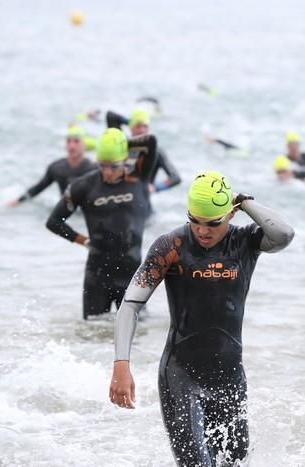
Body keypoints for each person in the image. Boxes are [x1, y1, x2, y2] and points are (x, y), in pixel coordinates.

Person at [109, 171, 295, 466]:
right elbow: (130, 305)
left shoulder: (245, 242)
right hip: (181, 377)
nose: (202, 230)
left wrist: (244, 202)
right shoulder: (170, 246)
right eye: (194, 220)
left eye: (212, 223)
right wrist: (121, 364)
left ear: (230, 214)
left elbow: (284, 234)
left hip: (230, 379)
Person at [46, 128, 157, 319]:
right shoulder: (84, 186)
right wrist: (83, 241)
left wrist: (120, 142)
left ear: (124, 160)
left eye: (113, 166)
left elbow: (151, 142)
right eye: (102, 165)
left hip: (132, 276)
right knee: (92, 335)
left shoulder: (138, 177)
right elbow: (54, 222)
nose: (106, 172)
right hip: (97, 275)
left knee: (136, 338)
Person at [7, 125, 96, 207]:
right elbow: (39, 188)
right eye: (68, 141)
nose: (71, 146)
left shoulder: (93, 169)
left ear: (84, 145)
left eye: (76, 141)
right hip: (64, 210)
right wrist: (18, 201)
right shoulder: (56, 168)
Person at [106, 108, 181, 193]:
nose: (142, 130)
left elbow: (175, 177)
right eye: (138, 126)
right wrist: (132, 121)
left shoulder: (157, 151)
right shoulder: (123, 143)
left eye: (145, 126)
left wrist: (156, 187)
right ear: (131, 128)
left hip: (141, 197)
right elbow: (111, 116)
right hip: (121, 192)